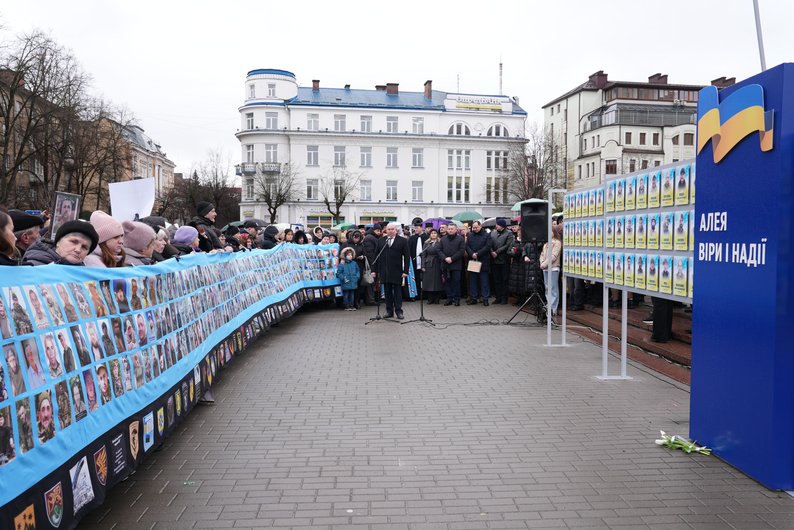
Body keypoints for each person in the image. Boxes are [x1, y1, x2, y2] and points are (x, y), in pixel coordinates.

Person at [373, 223, 410, 319]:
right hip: (385, 271)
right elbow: (376, 256)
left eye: (392, 229)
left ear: (396, 230)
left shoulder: (403, 241)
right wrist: (374, 270)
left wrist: (405, 271)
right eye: (388, 229)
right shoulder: (381, 241)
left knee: (397, 292)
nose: (390, 231)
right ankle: (389, 311)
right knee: (387, 292)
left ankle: (399, 311)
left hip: (397, 271)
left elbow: (406, 257)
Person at [23, 220, 99, 266]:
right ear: (58, 242)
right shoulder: (33, 266)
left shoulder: (86, 276)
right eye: (74, 242)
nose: (78, 250)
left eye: (84, 247)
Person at [539, 224, 562, 321]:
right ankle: (549, 306)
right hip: (545, 268)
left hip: (553, 268)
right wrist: (541, 262)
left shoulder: (557, 242)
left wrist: (544, 264)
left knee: (553, 289)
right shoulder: (546, 243)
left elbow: (553, 256)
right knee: (547, 288)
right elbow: (542, 254)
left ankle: (553, 309)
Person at [465, 220, 492, 305]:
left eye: (476, 227)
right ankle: (474, 298)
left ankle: (485, 299)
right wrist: (472, 253)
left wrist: (478, 253)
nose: (475, 229)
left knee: (484, 281)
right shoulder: (470, 235)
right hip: (473, 260)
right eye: (474, 227)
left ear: (480, 227)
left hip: (483, 261)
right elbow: (467, 246)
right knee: (472, 281)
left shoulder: (486, 235)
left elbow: (488, 246)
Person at [439, 223, 465, 306]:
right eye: (449, 229)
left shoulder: (460, 239)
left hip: (456, 264)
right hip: (445, 264)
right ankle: (449, 298)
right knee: (447, 282)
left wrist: (452, 258)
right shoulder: (443, 239)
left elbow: (461, 251)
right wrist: (445, 258)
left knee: (456, 282)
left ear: (456, 230)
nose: (450, 230)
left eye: (452, 229)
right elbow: (439, 250)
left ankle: (457, 299)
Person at [490, 219, 514, 304]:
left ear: (502, 226)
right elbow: (489, 243)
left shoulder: (509, 233)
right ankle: (498, 297)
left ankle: (504, 298)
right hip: (494, 259)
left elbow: (508, 245)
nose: (496, 226)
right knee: (496, 280)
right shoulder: (493, 233)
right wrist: (491, 251)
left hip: (504, 260)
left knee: (504, 279)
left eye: (497, 225)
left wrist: (497, 252)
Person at [420, 228, 444, 304]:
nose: (433, 234)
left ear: (437, 234)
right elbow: (423, 254)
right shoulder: (426, 243)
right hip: (428, 263)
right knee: (429, 282)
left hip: (437, 263)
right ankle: (430, 299)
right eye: (432, 233)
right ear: (430, 235)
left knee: (437, 282)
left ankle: (437, 298)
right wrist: (423, 265)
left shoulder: (440, 242)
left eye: (435, 233)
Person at [407, 222, 428, 301]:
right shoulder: (412, 238)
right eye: (415, 228)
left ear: (422, 228)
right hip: (414, 261)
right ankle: (416, 294)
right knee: (415, 279)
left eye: (417, 228)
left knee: (425, 278)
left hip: (424, 262)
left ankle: (425, 294)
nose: (416, 229)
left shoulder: (426, 237)